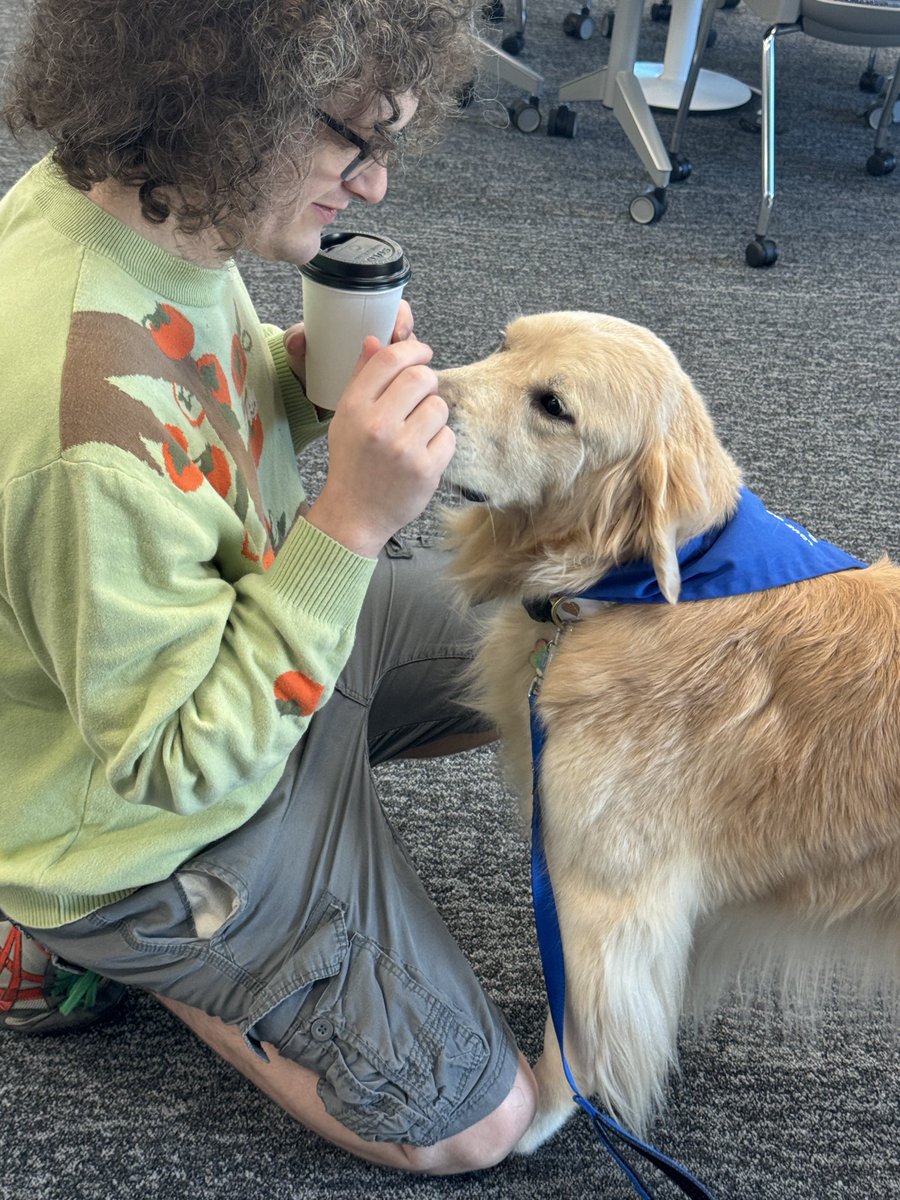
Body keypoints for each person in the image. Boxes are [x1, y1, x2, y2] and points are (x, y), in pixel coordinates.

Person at [0, 0, 537, 1173]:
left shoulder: (154, 219)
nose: (376, 185)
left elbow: (190, 425)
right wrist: (352, 522)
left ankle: (287, 881)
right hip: (149, 824)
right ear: (224, 99)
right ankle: (129, 943)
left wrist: (296, 384)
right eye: (357, 141)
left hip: (241, 641)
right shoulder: (90, 439)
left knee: (556, 630)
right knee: (476, 1126)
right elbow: (177, 759)